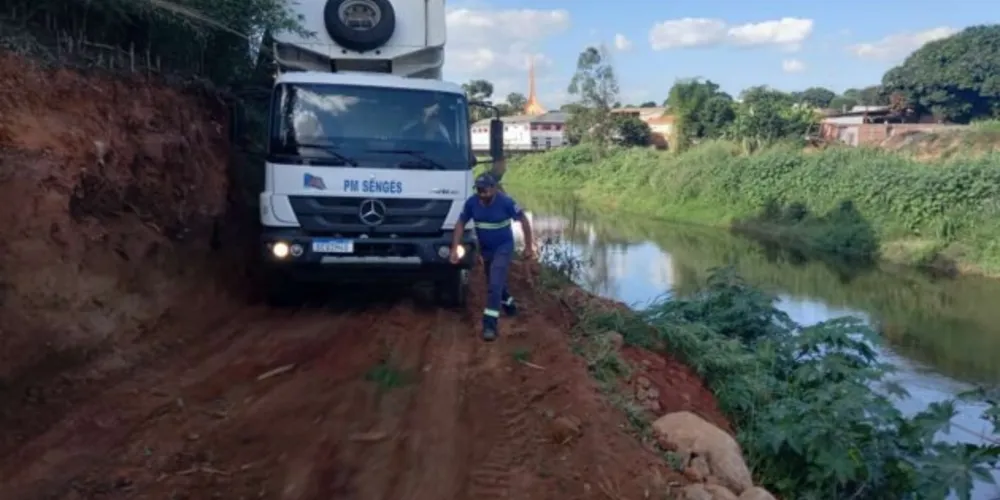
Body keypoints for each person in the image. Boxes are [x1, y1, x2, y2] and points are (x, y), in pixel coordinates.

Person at [450, 173, 534, 341]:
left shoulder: (506, 202)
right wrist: (454, 248)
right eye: (479, 190)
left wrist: (528, 246)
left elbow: (524, 220)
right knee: (494, 282)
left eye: (485, 190)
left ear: (494, 188)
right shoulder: (471, 203)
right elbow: (460, 223)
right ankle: (510, 306)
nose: (482, 194)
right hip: (486, 250)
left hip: (504, 247)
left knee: (495, 282)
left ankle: (490, 325)